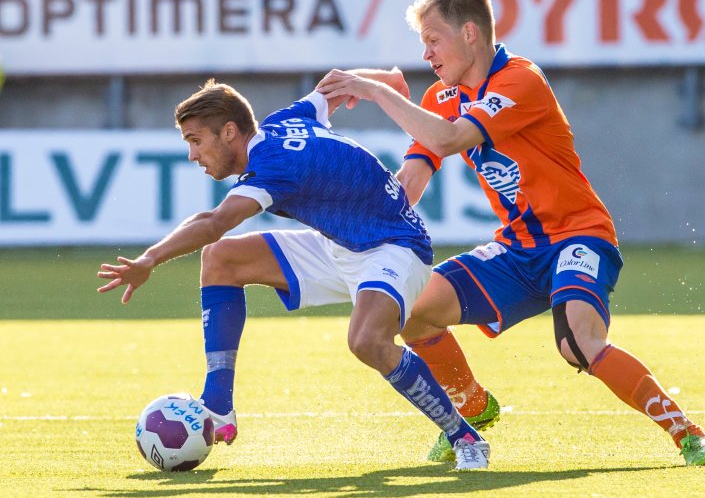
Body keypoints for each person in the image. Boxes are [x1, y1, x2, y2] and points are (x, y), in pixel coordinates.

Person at [316, 0, 705, 466]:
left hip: (578, 235)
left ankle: (689, 435)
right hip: (516, 248)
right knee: (413, 309)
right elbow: (414, 178)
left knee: (578, 343)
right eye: (422, 44)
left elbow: (448, 140)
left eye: (432, 39)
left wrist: (375, 91)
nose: (426, 54)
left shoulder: (520, 80)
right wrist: (357, 218)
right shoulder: (440, 99)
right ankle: (470, 403)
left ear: (470, 33)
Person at [96, 79, 490, 470]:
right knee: (221, 259)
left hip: (393, 247)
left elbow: (214, 222)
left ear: (229, 132)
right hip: (340, 244)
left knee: (367, 340)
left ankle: (465, 437)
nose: (192, 154)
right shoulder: (286, 119)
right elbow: (332, 89)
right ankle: (218, 403)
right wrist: (383, 78)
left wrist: (150, 259)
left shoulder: (273, 166)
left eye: (196, 140)